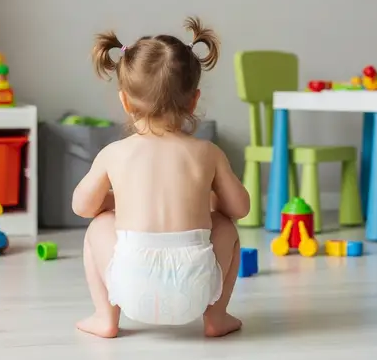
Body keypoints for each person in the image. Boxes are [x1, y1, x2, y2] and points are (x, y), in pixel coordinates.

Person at [72, 17, 250, 339]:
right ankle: (217, 317)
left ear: (125, 101)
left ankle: (105, 318)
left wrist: (112, 203)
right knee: (226, 227)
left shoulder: (114, 153)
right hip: (195, 289)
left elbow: (83, 207)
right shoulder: (208, 152)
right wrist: (209, 198)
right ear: (194, 100)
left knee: (98, 224)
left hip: (129, 287)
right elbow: (240, 208)